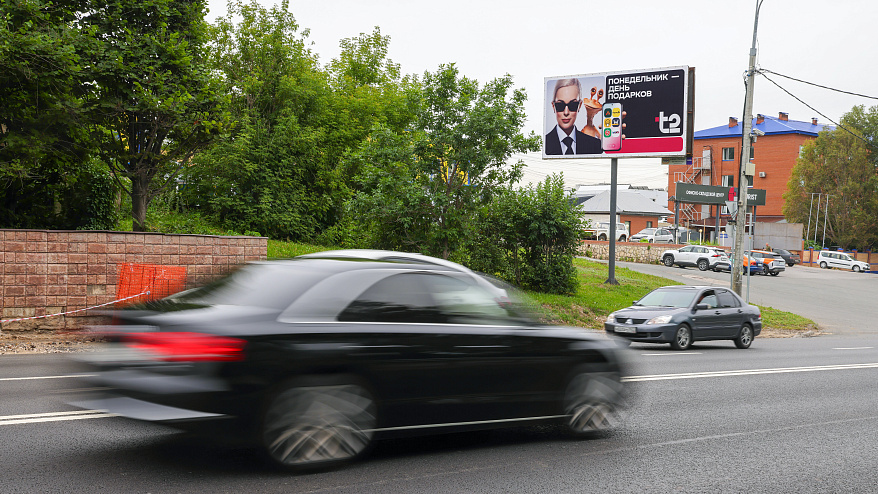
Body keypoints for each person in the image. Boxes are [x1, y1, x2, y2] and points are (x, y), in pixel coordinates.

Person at [545, 78, 602, 155]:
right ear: (553, 106)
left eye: (573, 105)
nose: (566, 112)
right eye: (560, 105)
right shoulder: (544, 143)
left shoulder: (595, 145)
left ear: (579, 106)